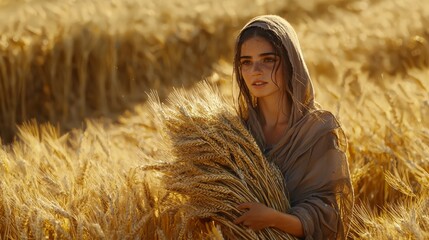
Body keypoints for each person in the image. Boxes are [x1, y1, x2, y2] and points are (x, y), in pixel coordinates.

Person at [232, 15, 354, 239]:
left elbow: (328, 219)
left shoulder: (317, 131)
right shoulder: (234, 131)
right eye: (246, 62)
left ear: (291, 62)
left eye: (268, 60)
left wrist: (272, 218)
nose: (255, 71)